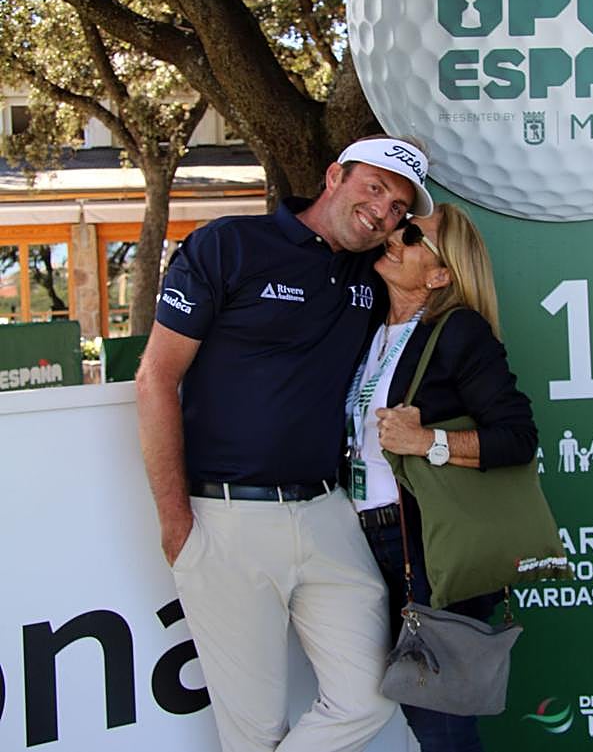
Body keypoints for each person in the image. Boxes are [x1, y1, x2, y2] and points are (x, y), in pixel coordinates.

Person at [135, 135, 435, 752]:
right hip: (226, 518)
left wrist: (411, 247)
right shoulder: (230, 245)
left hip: (328, 514)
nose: (382, 211)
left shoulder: (371, 274)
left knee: (371, 697)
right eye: (373, 187)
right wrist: (176, 523)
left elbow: (435, 263)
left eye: (399, 207)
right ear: (334, 176)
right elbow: (156, 378)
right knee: (253, 729)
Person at [346, 203, 537, 752]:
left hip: (430, 547)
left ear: (439, 274)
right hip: (362, 538)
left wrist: (427, 442)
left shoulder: (458, 331)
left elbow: (517, 437)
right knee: (388, 712)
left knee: (440, 726)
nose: (394, 237)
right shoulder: (367, 329)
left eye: (411, 235)